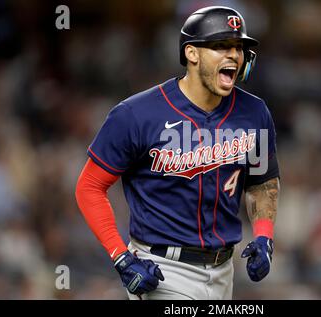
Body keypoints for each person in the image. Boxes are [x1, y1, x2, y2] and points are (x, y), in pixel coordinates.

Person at [75, 5, 280, 300]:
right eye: (221, 46)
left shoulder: (254, 112)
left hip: (224, 271)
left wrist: (263, 236)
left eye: (237, 47)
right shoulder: (137, 114)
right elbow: (90, 187)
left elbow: (262, 182)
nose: (233, 55)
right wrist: (120, 256)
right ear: (192, 54)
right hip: (164, 270)